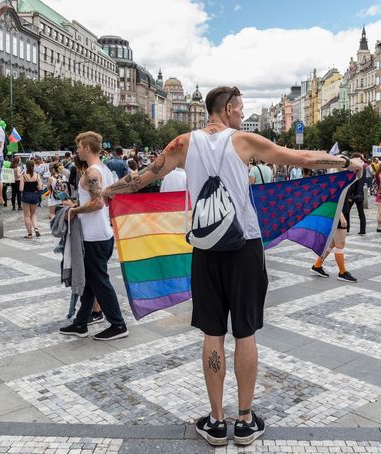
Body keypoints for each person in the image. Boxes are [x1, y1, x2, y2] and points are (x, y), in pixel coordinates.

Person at [101, 86, 363, 447]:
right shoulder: (243, 141)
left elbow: (143, 176)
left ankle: (215, 421)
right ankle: (243, 420)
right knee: (245, 332)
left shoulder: (182, 143)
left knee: (212, 333)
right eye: (239, 108)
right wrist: (347, 163)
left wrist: (110, 191)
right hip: (245, 246)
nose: (241, 114)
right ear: (227, 108)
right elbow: (299, 158)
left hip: (206, 248)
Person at [59, 132, 130, 342]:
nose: (77, 150)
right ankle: (81, 323)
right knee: (91, 281)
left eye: (79, 147)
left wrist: (74, 211)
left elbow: (98, 203)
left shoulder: (91, 171)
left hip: (94, 236)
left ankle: (118, 324)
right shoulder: (105, 169)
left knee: (99, 281)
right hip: (101, 234)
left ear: (87, 148)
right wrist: (77, 205)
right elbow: (104, 199)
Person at [310, 211, 357, 282]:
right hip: (339, 216)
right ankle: (342, 273)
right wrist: (341, 217)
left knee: (332, 243)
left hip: (340, 214)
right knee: (340, 244)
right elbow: (338, 201)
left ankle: (317, 266)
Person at [344, 154, 366, 235]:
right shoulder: (350, 170)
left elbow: (360, 183)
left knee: (361, 213)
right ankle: (347, 228)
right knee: (347, 212)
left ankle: (362, 230)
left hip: (357, 194)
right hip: (353, 195)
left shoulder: (362, 169)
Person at [20, 160, 42, 238]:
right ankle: (36, 228)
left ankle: (29, 234)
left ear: (26, 167)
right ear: (34, 166)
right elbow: (40, 187)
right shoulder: (37, 176)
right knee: (33, 214)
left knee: (27, 215)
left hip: (26, 195)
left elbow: (21, 189)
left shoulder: (24, 176)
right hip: (34, 195)